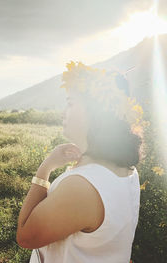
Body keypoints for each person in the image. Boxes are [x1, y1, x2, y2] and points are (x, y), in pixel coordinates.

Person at [16, 61, 145, 263]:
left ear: (95, 112)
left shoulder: (83, 186)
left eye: (70, 103)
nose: (62, 113)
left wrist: (45, 168)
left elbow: (25, 236)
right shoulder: (126, 170)